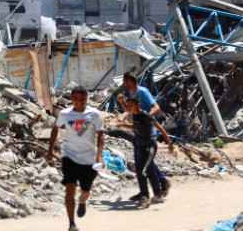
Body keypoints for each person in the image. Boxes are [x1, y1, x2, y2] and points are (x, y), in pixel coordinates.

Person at [47, 86, 104, 231]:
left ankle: (83, 202)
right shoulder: (65, 114)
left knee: (85, 190)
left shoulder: (95, 114)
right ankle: (71, 224)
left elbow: (100, 135)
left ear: (87, 99)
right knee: (69, 190)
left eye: (82, 99)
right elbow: (55, 129)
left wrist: (99, 155)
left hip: (88, 158)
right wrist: (50, 150)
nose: (79, 102)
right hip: (69, 156)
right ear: (71, 99)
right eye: (76, 99)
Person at [117, 72, 171, 200]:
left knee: (146, 164)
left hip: (147, 134)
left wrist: (146, 117)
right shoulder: (131, 94)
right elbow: (130, 110)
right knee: (142, 163)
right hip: (138, 133)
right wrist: (122, 103)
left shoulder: (142, 91)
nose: (124, 85)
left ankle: (158, 189)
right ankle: (149, 190)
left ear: (132, 81)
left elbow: (156, 107)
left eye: (126, 82)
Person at [123, 93, 174, 208]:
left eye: (130, 105)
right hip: (140, 145)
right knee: (141, 171)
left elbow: (160, 128)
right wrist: (123, 125)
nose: (128, 107)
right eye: (128, 105)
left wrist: (169, 143)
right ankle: (146, 196)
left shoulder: (145, 115)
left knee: (145, 171)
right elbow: (135, 127)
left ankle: (155, 195)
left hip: (149, 146)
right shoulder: (135, 116)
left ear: (136, 105)